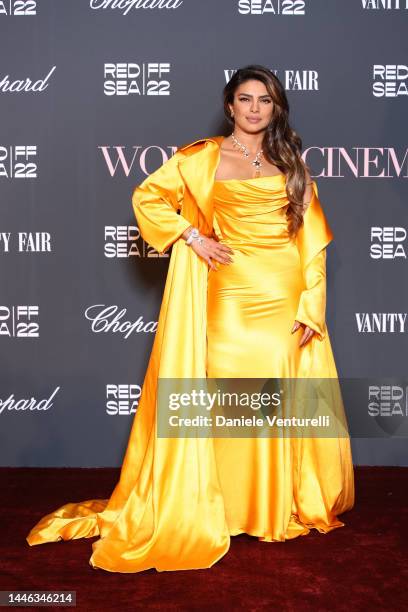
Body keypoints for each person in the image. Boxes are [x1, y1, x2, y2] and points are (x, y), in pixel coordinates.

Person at [26, 64, 355, 573]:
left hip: (283, 295)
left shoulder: (292, 163)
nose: (254, 108)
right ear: (230, 106)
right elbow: (147, 197)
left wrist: (311, 306)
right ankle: (216, 506)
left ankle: (268, 509)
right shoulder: (202, 158)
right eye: (245, 99)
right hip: (227, 292)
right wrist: (191, 235)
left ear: (276, 108)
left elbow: (312, 246)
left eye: (264, 100)